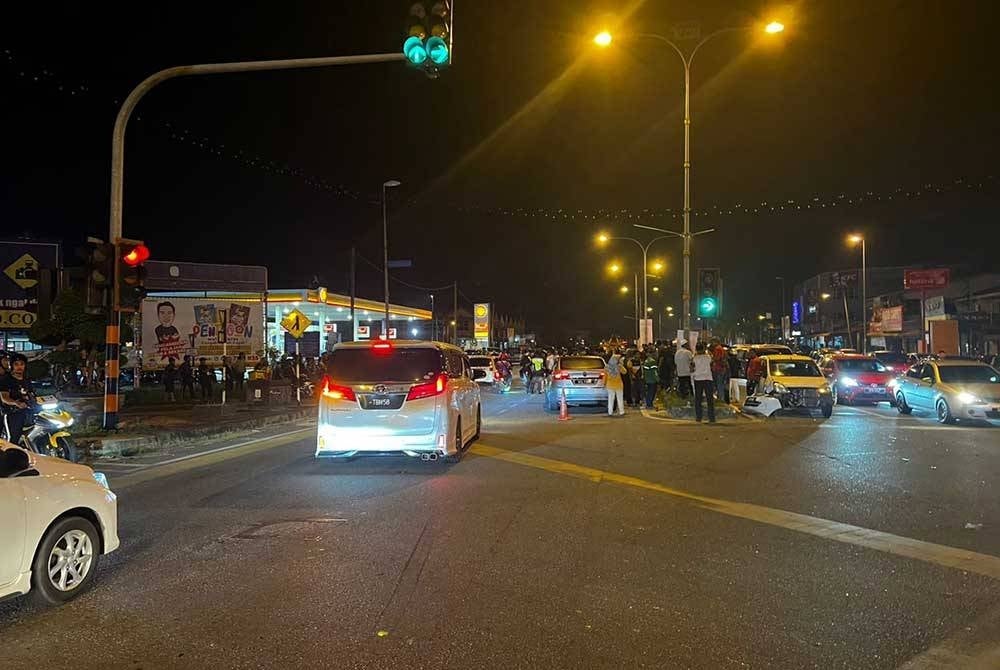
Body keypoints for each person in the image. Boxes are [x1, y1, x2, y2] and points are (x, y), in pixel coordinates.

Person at [1, 354, 36, 443]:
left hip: (27, 412)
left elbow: (31, 394)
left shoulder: (26, 380)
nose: (19, 367)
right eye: (16, 364)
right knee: (13, 439)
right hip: (11, 413)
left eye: (21, 364)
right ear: (12, 366)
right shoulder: (6, 379)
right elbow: (4, 397)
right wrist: (16, 403)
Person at [692, 343, 716, 423]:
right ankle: (711, 418)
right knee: (709, 399)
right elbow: (712, 365)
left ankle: (699, 417)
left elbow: (691, 368)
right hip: (708, 378)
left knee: (698, 399)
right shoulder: (708, 357)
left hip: (698, 379)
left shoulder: (694, 358)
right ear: (703, 349)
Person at [605, 351, 626, 416]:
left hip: (610, 385)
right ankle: (621, 411)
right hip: (619, 385)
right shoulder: (619, 367)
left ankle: (610, 412)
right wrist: (621, 365)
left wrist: (604, 384)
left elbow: (605, 376)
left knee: (610, 399)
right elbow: (625, 372)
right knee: (620, 399)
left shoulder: (607, 367)